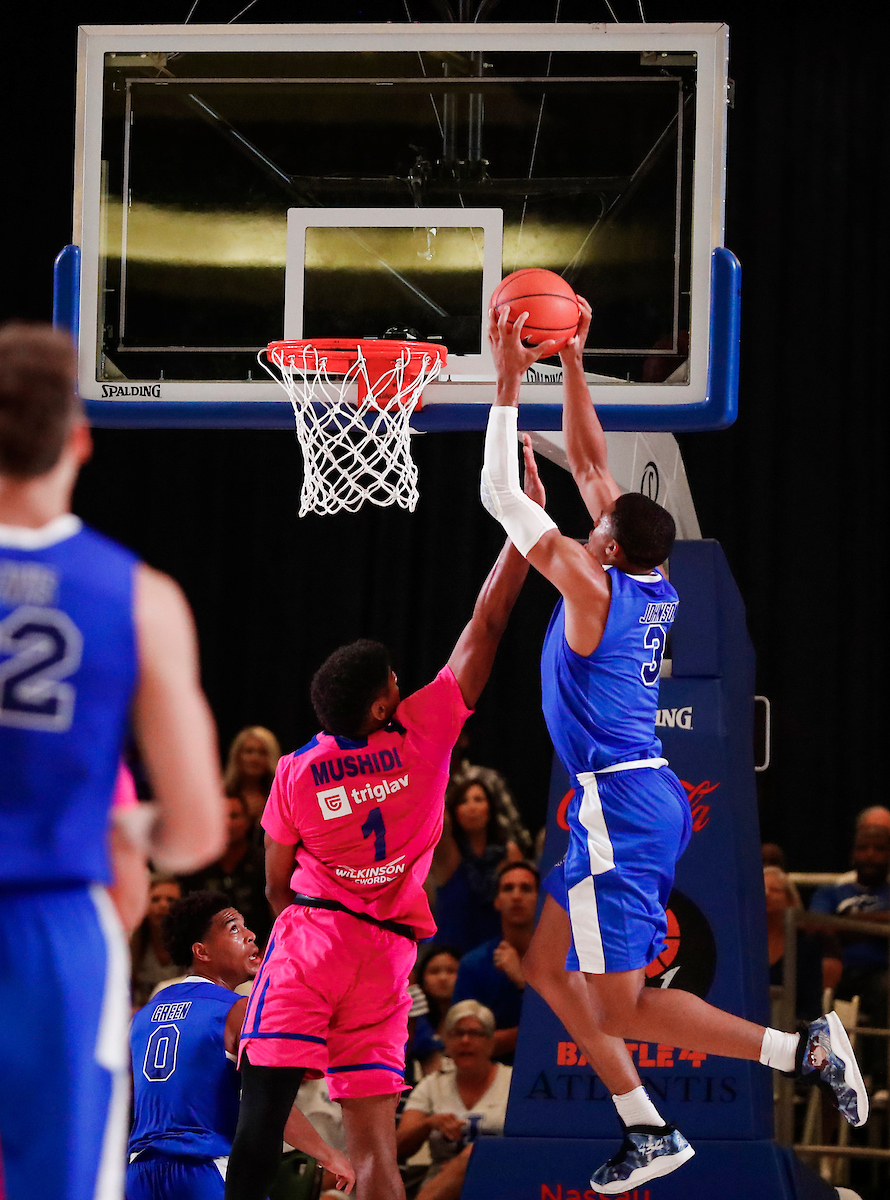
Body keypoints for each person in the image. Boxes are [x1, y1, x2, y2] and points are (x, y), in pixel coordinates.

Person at [480, 301, 869, 1193]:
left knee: (619, 1005)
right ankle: (647, 1127)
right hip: (627, 798)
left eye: (594, 530)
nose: (587, 525)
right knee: (546, 967)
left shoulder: (594, 590)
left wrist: (507, 378)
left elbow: (502, 497)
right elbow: (590, 464)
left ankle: (798, 1050)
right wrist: (572, 362)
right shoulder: (650, 576)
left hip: (618, 807)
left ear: (608, 547)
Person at [225, 521, 537, 1200]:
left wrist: (307, 941)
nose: (401, 680)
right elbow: (487, 624)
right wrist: (521, 528)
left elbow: (275, 886)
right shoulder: (424, 731)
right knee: (374, 1154)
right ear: (380, 704)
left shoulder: (295, 770)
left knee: (261, 1116)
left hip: (313, 941)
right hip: (387, 956)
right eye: (393, 678)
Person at [0, 322, 226, 1200]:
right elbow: (197, 830)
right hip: (53, 930)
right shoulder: (141, 597)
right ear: (80, 437)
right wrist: (133, 824)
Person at [128, 891, 353, 1200]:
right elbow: (268, 1106)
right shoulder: (240, 1010)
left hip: (138, 1173)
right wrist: (328, 1154)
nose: (250, 935)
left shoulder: (144, 1014)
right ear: (202, 951)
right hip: (204, 1167)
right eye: (234, 928)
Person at [396, 1001, 511, 1200]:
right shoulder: (432, 1085)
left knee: (473, 1155)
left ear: (491, 1042)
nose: (465, 1040)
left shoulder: (513, 1082)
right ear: (446, 1042)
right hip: (439, 1182)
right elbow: (398, 1147)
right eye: (458, 1033)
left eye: (475, 1033)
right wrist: (428, 1124)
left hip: (499, 1179)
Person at [452, 859, 539, 1063]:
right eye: (508, 888)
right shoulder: (474, 964)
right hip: (489, 1071)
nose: (516, 896)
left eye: (526, 889)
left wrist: (522, 980)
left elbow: (573, 1032)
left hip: (547, 1068)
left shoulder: (562, 959)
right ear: (497, 901)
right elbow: (466, 1041)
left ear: (541, 899)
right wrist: (536, 1031)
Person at [430, 776, 523, 954]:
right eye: (464, 801)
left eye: (478, 799)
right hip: (452, 955)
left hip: (496, 954)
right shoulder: (448, 854)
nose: (472, 806)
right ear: (454, 811)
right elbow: (436, 816)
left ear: (490, 808)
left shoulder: (509, 852)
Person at [809, 824, 890, 1023]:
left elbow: (833, 924)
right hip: (837, 968)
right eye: (863, 848)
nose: (870, 854)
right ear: (852, 855)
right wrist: (877, 928)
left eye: (879, 849)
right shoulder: (830, 893)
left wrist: (846, 922)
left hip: (881, 971)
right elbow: (816, 925)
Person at [180, 794, 272, 947]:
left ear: (248, 821)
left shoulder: (265, 863)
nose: (227, 822)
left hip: (263, 950)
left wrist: (267, 953)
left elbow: (277, 914)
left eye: (234, 816)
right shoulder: (197, 866)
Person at [764, 866, 839, 1023]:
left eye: (774, 890)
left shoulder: (807, 947)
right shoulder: (741, 945)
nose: (766, 894)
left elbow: (811, 1008)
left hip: (791, 1026)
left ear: (790, 901)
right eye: (761, 889)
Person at [130, 876, 183, 1009]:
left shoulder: (194, 946)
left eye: (171, 900)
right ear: (144, 906)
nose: (163, 905)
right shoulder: (131, 944)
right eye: (155, 900)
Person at [410, 946, 462, 1074]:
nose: (443, 978)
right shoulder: (414, 1018)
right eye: (434, 972)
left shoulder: (475, 1017)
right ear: (422, 978)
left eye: (451, 971)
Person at [223, 726, 281, 826]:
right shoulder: (221, 794)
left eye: (262, 753)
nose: (255, 759)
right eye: (249, 751)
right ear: (237, 755)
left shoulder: (281, 798)